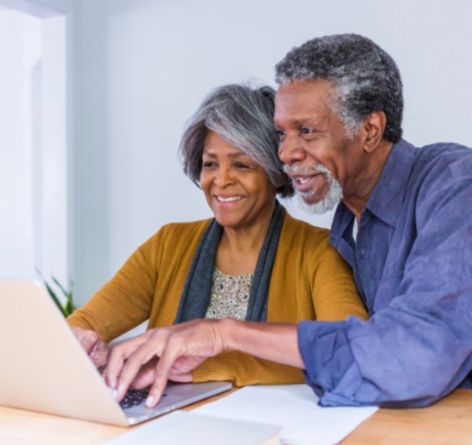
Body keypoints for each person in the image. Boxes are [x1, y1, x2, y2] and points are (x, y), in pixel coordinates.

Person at [104, 33, 472, 410]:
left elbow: (412, 359)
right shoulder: (350, 223)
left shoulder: (456, 185)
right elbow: (359, 357)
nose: (287, 153)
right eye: (282, 133)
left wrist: (224, 334)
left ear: (369, 130)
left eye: (307, 131)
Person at [68, 83, 367, 389]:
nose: (221, 180)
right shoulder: (168, 245)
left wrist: (195, 366)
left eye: (241, 164)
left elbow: (350, 353)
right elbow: (83, 324)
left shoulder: (320, 252)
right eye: (210, 164)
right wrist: (84, 342)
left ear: (276, 172)